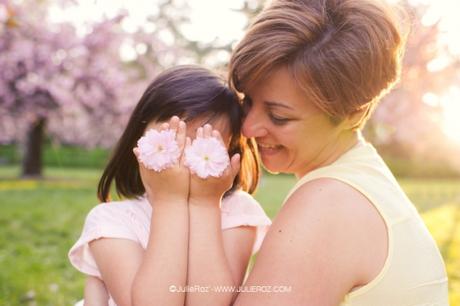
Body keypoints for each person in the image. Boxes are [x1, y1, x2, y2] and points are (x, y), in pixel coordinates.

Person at [208, 0, 447, 305]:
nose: (249, 127)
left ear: (351, 113)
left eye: (279, 116)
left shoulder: (327, 205)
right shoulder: (362, 179)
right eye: (247, 101)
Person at [68, 65, 272, 306]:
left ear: (229, 154)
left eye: (204, 146)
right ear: (138, 139)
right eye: (170, 139)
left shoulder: (237, 213)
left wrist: (205, 204)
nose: (183, 157)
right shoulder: (110, 221)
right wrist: (170, 202)